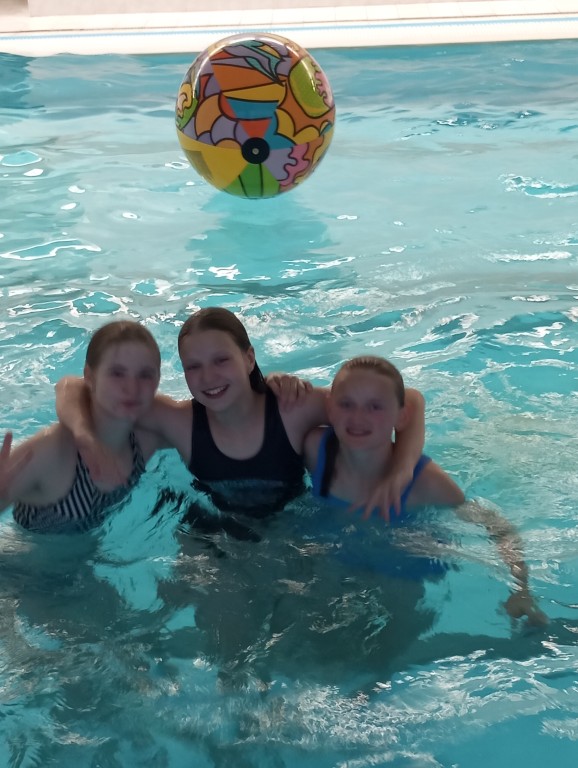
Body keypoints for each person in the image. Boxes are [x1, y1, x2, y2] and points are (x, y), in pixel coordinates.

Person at [55, 308, 427, 523]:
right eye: (193, 367)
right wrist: (85, 437)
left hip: (290, 529)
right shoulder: (179, 422)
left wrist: (403, 469)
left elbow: (408, 399)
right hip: (212, 534)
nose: (208, 378)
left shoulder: (291, 410)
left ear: (249, 358)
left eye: (221, 360)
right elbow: (73, 387)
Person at [303, 354, 548, 625]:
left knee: (389, 643)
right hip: (339, 556)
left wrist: (521, 588)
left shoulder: (426, 483)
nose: (358, 417)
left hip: (404, 569)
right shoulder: (317, 451)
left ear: (402, 416)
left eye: (375, 406)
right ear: (330, 408)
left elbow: (496, 526)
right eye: (347, 404)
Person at [0, 320, 162, 533]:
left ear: (158, 380)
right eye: (117, 373)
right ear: (90, 377)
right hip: (21, 554)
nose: (132, 388)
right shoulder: (52, 451)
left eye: (145, 375)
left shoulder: (145, 441)